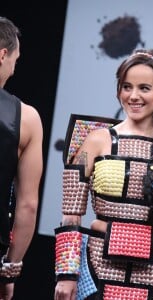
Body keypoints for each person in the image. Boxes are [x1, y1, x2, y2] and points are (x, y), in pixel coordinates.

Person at [54, 49, 153, 300]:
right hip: (95, 268)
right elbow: (71, 214)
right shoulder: (94, 141)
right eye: (127, 87)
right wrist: (66, 275)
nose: (133, 96)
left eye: (144, 88)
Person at [0, 16, 43, 299]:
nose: (15, 68)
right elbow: (27, 205)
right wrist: (8, 271)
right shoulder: (25, 118)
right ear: (3, 54)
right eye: (16, 59)